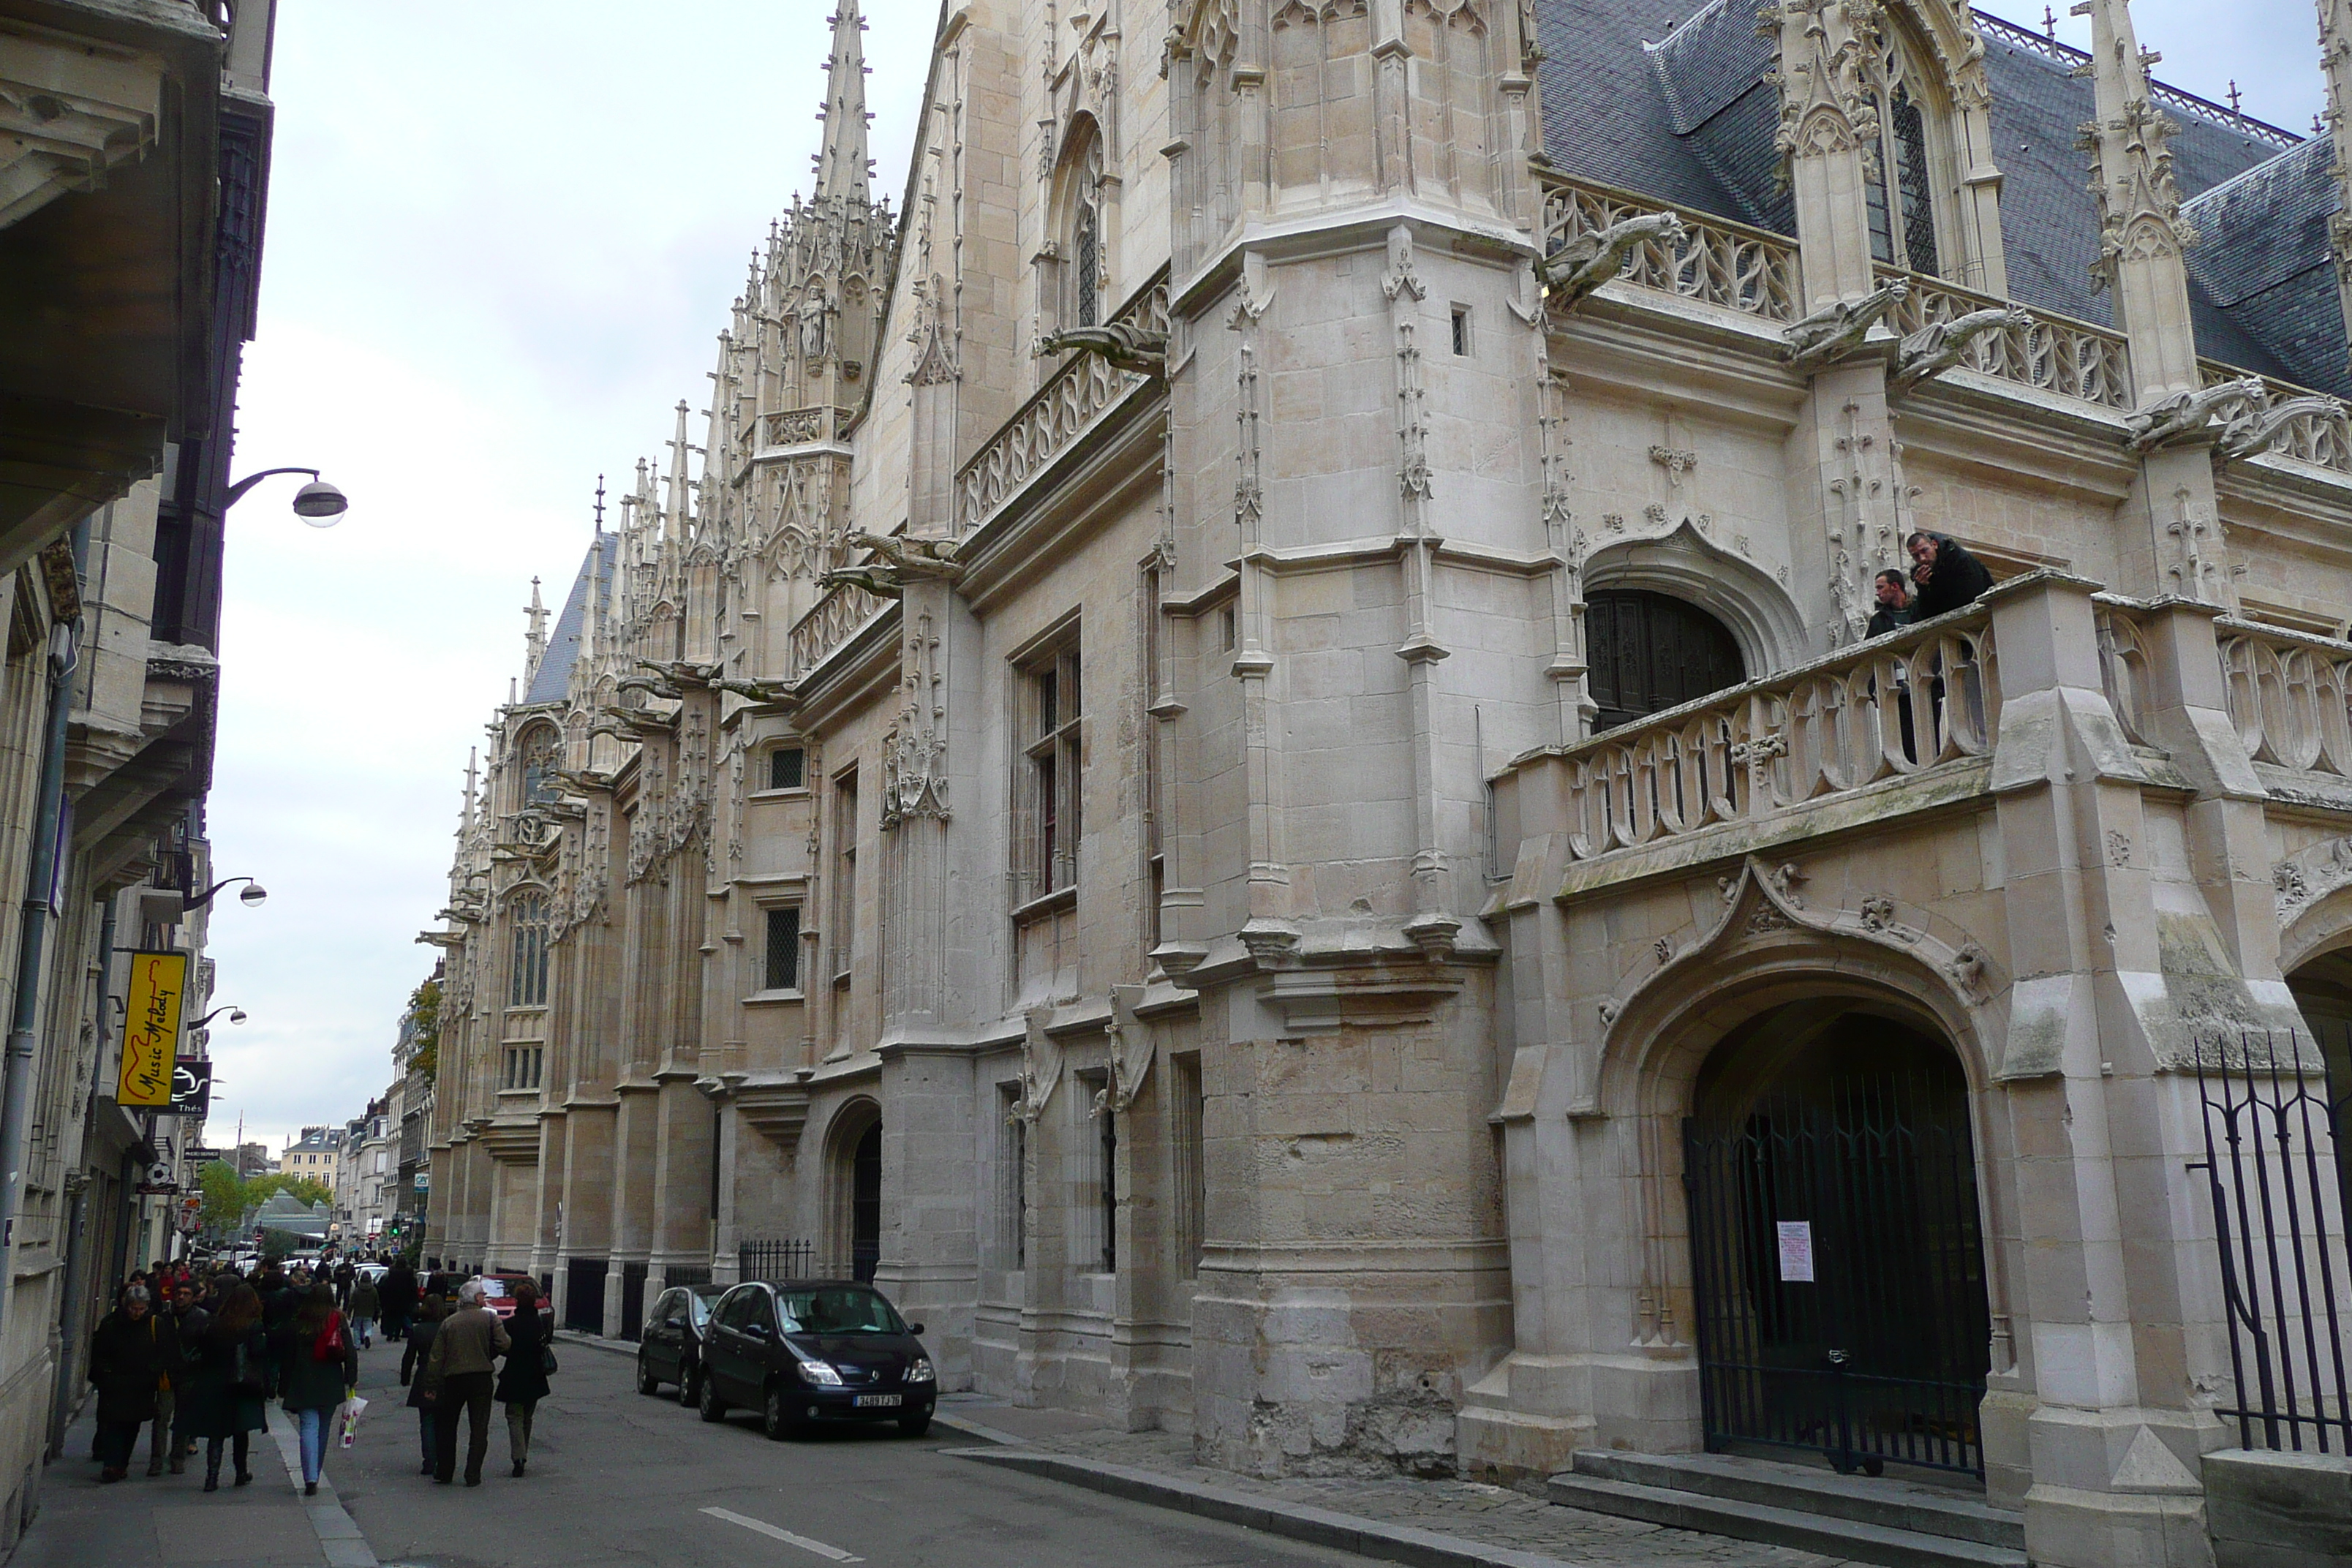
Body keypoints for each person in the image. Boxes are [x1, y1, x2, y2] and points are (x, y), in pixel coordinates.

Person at [181, 1282, 270, 1491]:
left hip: (215, 1381)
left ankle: (212, 1477)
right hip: (241, 1383)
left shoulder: (216, 1324)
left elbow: (204, 1352)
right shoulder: (253, 1325)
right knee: (241, 1431)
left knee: (217, 1432)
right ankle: (240, 1472)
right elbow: (259, 1354)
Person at [426, 1279, 509, 1486]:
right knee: (479, 1427)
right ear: (475, 1298)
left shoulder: (450, 1322)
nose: (484, 1297)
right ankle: (473, 1474)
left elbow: (436, 1357)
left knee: (447, 1426)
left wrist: (431, 1385)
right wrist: (489, 1354)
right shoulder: (490, 1319)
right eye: (482, 1294)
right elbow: (505, 1344)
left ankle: (445, 1471)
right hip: (481, 1378)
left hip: (453, 1379)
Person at [278, 1284, 358, 1497]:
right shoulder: (337, 1318)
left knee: (308, 1427)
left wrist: (283, 1384)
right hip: (330, 1379)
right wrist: (351, 1378)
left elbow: (288, 1355)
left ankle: (310, 1476)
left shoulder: (300, 1319)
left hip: (303, 1378)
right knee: (323, 1428)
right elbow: (349, 1349)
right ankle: (316, 1470)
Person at [87, 1285, 170, 1482]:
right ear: (126, 1306)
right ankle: (111, 1465)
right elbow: (99, 1352)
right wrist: (105, 1374)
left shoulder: (154, 1324)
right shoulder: (111, 1324)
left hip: (141, 1386)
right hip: (115, 1383)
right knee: (114, 1425)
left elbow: (164, 1352)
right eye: (134, 1308)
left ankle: (121, 1463)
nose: (137, 1313)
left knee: (132, 1426)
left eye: (141, 1309)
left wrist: (153, 1371)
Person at [494, 1279, 553, 1477]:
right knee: (527, 1417)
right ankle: (523, 1454)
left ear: (518, 1301)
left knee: (514, 1417)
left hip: (515, 1375)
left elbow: (503, 1347)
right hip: (535, 1375)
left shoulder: (511, 1324)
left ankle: (518, 1457)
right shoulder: (540, 1323)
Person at [404, 1295, 448, 1475]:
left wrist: (405, 1377)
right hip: (445, 1376)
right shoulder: (447, 1328)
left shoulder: (419, 1330)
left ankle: (429, 1460)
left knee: (427, 1420)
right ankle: (443, 1457)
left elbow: (409, 1356)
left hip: (424, 1374)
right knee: (443, 1421)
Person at [1906, 530, 1994, 619]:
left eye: (1925, 550)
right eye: (1916, 556)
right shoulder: (1922, 575)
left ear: (1934, 545)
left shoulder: (1959, 559)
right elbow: (1926, 615)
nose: (1922, 558)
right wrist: (1923, 588)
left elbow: (1973, 594)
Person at [1866, 568, 1912, 638]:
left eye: (1880, 587)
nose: (1877, 593)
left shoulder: (1921, 608)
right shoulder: (1878, 620)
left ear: (1894, 587)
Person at [347, 1272, 381, 1349]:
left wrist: (349, 1313)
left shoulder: (357, 1290)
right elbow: (377, 1303)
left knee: (357, 1329)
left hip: (358, 1312)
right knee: (368, 1326)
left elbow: (352, 1303)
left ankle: (357, 1344)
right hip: (369, 1313)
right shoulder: (373, 1290)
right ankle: (367, 1335)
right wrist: (378, 1312)